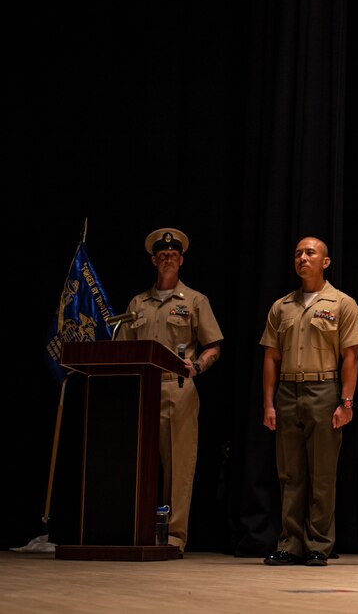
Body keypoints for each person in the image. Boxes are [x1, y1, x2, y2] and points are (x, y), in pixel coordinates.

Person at [260, 236, 358, 566]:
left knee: (322, 473)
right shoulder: (282, 306)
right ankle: (290, 542)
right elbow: (271, 358)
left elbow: (350, 356)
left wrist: (346, 403)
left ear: (325, 262)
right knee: (290, 474)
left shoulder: (342, 304)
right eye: (298, 254)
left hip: (324, 390)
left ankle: (319, 542)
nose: (303, 258)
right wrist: (268, 404)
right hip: (288, 392)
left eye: (310, 253)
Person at [115, 227, 223, 552]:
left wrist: (198, 366)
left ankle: (174, 535)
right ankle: (139, 529)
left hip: (178, 388)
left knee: (178, 465)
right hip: (143, 389)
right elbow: (123, 348)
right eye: (162, 255)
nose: (167, 259)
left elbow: (214, 345)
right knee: (140, 462)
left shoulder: (194, 300)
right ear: (153, 260)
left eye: (173, 255)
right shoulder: (137, 303)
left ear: (181, 261)